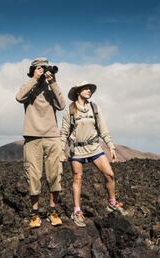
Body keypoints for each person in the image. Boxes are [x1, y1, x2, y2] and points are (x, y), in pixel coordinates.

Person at [60, 81, 127, 228]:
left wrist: (111, 146)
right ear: (78, 91)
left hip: (94, 147)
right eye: (86, 88)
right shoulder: (70, 110)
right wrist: (61, 151)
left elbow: (102, 128)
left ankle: (112, 203)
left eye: (90, 89)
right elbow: (64, 132)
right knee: (77, 178)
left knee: (109, 174)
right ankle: (77, 211)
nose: (89, 90)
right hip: (76, 150)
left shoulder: (94, 107)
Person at [16, 57, 65, 228]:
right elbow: (19, 97)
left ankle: (53, 211)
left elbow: (62, 105)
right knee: (34, 176)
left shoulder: (51, 87)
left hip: (52, 136)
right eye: (40, 68)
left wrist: (54, 83)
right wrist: (35, 79)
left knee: (54, 175)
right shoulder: (29, 86)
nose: (44, 71)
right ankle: (35, 213)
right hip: (32, 136)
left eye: (45, 68)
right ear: (34, 69)